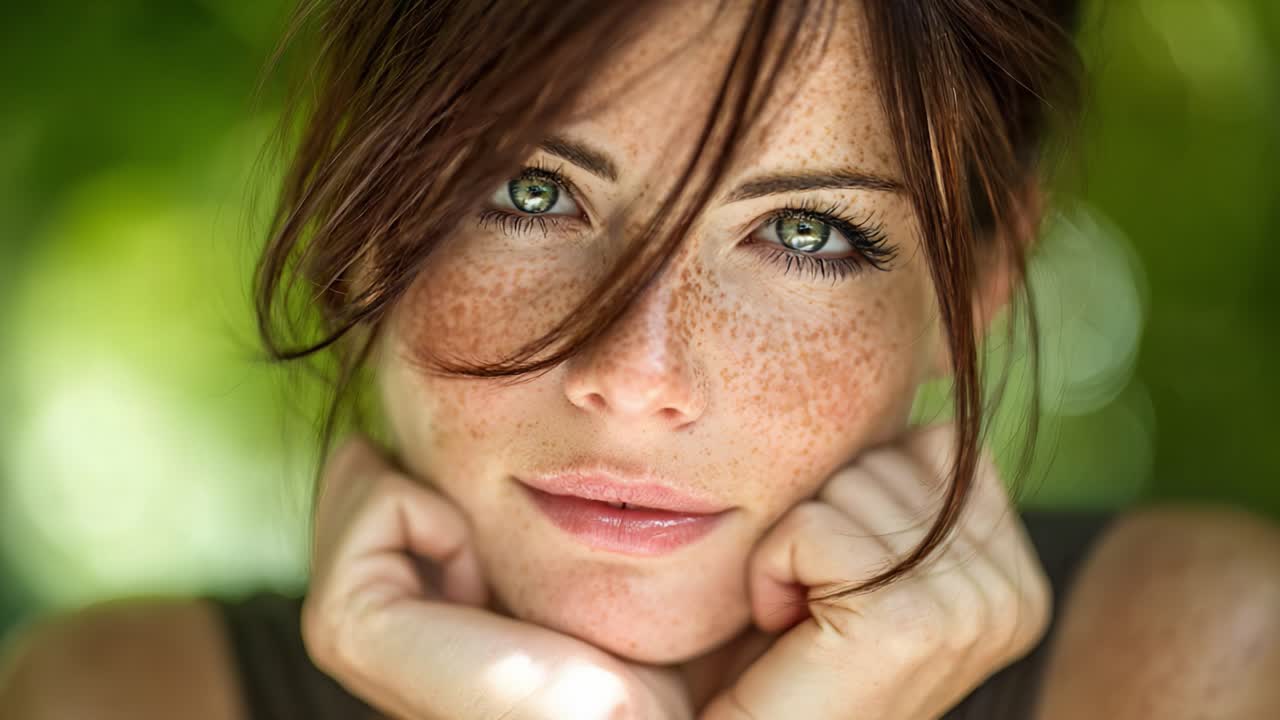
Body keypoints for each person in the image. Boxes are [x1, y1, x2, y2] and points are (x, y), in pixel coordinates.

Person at [3, 0, 1280, 718]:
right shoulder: (119, 699)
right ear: (362, 213)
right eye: (529, 194)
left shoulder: (1204, 665)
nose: (637, 370)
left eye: (804, 230)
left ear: (977, 284)